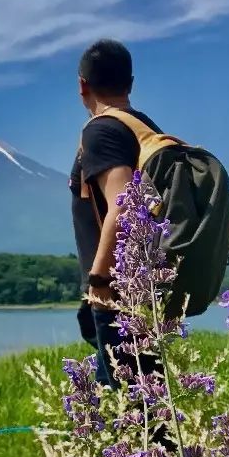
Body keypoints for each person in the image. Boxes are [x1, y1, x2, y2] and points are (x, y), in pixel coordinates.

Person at [69, 39, 163, 388]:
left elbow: (125, 201)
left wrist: (99, 282)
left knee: (131, 413)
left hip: (118, 296)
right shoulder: (143, 127)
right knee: (149, 405)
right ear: (131, 84)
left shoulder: (101, 129)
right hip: (147, 290)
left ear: (82, 85)